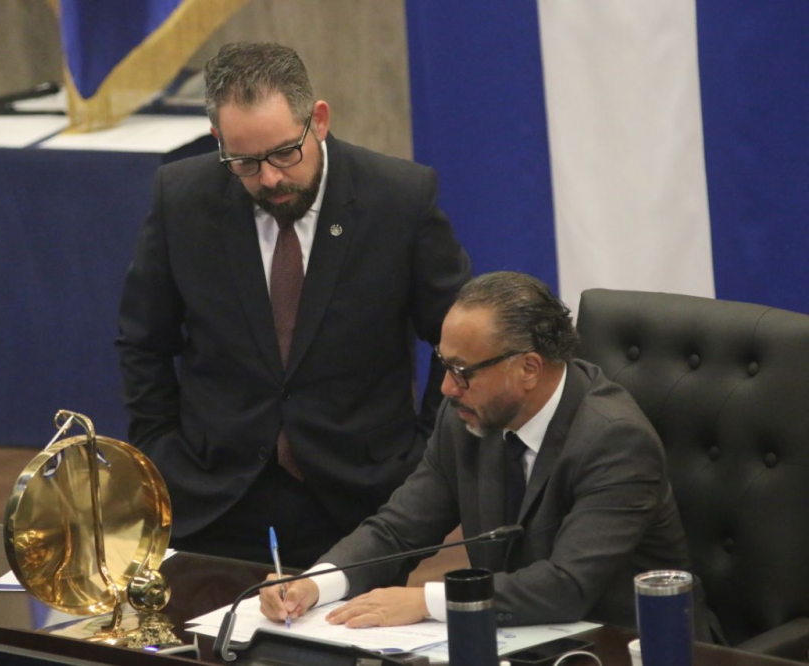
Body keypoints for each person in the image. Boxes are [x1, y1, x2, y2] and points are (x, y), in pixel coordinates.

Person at [116, 42, 471, 568]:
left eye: (285, 152)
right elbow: (143, 340)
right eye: (244, 161)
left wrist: (422, 463)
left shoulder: (399, 198)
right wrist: (162, 450)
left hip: (362, 502)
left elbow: (462, 342)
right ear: (218, 141)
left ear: (319, 120)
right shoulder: (181, 197)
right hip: (214, 498)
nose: (270, 178)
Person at [260, 271, 714, 639]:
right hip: (517, 639)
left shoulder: (615, 441)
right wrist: (314, 585)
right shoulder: (467, 416)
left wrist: (426, 601)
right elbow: (399, 530)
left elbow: (568, 586)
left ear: (528, 368)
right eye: (444, 365)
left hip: (627, 646)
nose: (446, 388)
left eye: (462, 372)